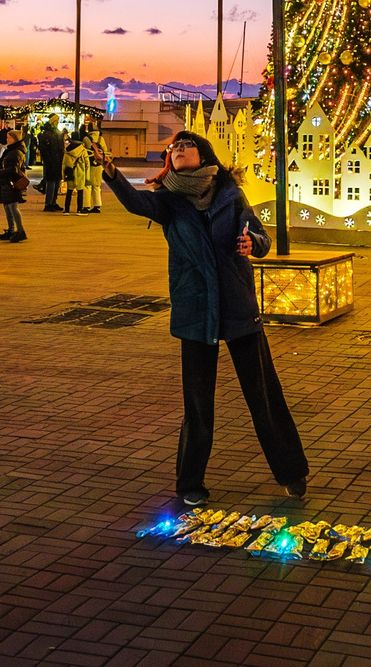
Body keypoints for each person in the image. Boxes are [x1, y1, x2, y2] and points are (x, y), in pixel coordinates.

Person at [103, 132, 307, 507]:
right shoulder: (168, 201)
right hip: (195, 308)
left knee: (262, 394)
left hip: (237, 305)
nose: (178, 150)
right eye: (173, 148)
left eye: (186, 145)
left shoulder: (230, 193)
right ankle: (190, 483)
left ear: (203, 154)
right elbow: (136, 203)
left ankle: (291, 472)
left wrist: (253, 245)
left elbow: (258, 233)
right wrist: (113, 174)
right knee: (198, 403)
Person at [0, 124, 30, 243]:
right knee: (7, 206)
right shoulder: (10, 150)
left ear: (15, 139)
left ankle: (20, 230)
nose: (7, 139)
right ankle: (11, 230)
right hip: (6, 182)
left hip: (12, 182)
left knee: (12, 207)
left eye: (9, 138)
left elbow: (14, 169)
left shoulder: (16, 152)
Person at [65, 123, 103, 214]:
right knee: (97, 186)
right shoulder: (101, 139)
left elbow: (82, 151)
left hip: (90, 164)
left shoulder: (86, 139)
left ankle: (86, 206)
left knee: (87, 185)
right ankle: (97, 206)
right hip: (98, 164)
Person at [38, 121, 68, 213]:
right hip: (51, 161)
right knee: (51, 182)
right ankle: (48, 203)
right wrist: (49, 160)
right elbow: (44, 149)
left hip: (57, 160)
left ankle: (53, 202)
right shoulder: (47, 134)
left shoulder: (55, 133)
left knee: (57, 182)